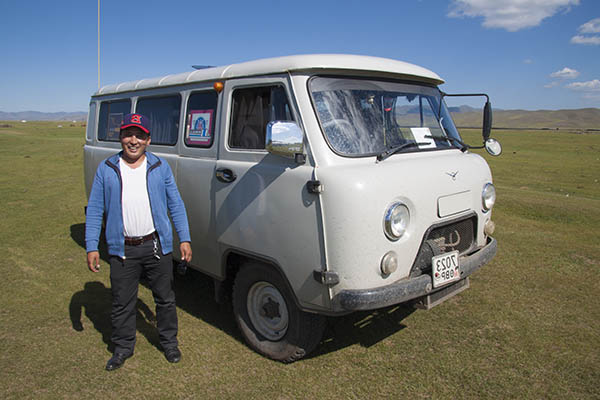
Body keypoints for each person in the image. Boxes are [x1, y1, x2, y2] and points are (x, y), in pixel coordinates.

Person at [85, 113, 192, 371]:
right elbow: (96, 207)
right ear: (120, 137)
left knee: (164, 298)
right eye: (128, 134)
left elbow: (175, 204)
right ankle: (122, 347)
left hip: (156, 246)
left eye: (139, 135)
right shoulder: (107, 168)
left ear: (148, 140)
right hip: (123, 249)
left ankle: (169, 342)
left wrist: (184, 238)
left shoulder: (159, 166)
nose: (133, 140)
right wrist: (91, 246)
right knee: (122, 301)